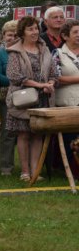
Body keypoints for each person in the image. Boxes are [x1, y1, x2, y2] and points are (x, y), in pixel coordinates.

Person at [6, 16, 57, 182]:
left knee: (37, 134)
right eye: (30, 29)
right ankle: (25, 172)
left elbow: (53, 72)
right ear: (23, 32)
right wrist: (39, 85)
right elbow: (14, 76)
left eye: (36, 28)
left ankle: (36, 170)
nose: (35, 32)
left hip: (42, 98)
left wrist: (50, 82)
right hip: (23, 99)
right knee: (24, 135)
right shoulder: (14, 51)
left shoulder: (45, 49)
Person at [0, 20, 19, 175]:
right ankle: (6, 167)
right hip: (7, 95)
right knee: (7, 131)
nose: (13, 37)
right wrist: (17, 81)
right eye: (10, 34)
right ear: (3, 36)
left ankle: (27, 167)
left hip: (26, 95)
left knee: (26, 132)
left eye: (16, 34)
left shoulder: (24, 51)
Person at [52, 20, 79, 175]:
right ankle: (70, 172)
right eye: (75, 32)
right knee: (71, 141)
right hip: (67, 104)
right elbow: (56, 78)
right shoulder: (58, 54)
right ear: (65, 36)